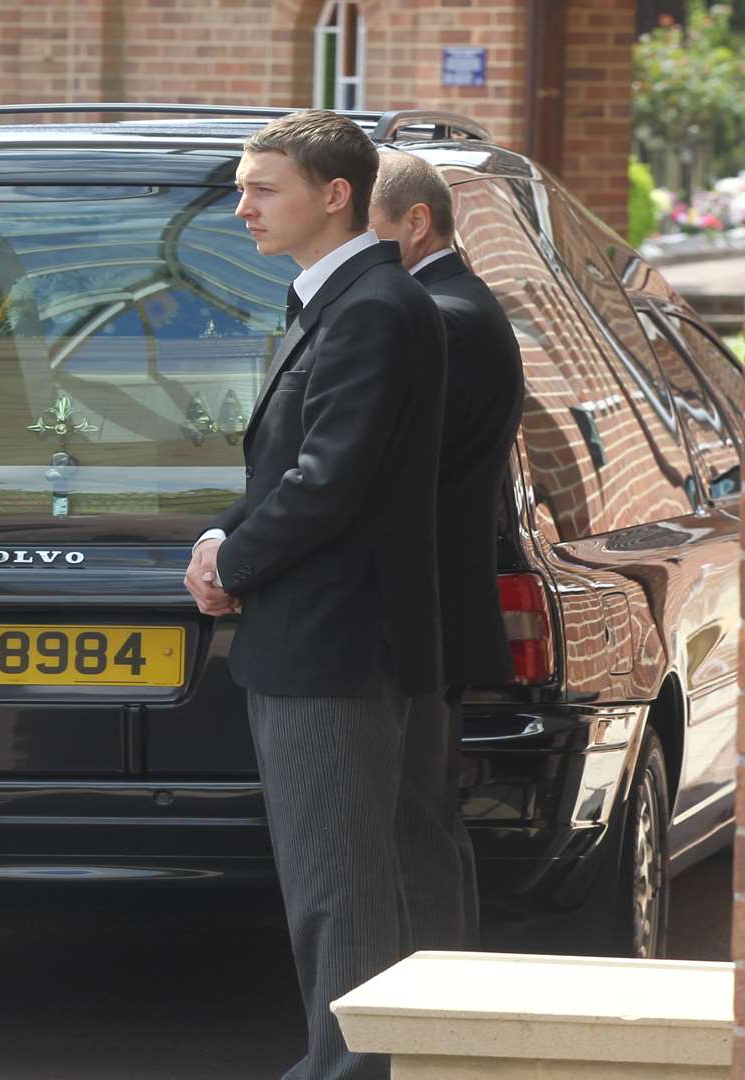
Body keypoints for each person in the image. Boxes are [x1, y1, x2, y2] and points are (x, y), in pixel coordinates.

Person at [184, 110, 447, 1080]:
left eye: (264, 188)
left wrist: (228, 561)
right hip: (325, 638)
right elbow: (302, 471)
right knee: (342, 889)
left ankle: (348, 1074)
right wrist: (224, 535)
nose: (241, 205)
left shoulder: (373, 307)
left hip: (335, 647)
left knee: (339, 894)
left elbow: (328, 483)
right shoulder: (339, 302)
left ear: (336, 196)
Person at [370, 150, 524, 952]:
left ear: (414, 223)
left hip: (417, 616)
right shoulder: (453, 306)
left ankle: (434, 1017)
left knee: (413, 829)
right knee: (416, 822)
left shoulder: (441, 320)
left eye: (364, 226)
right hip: (424, 610)